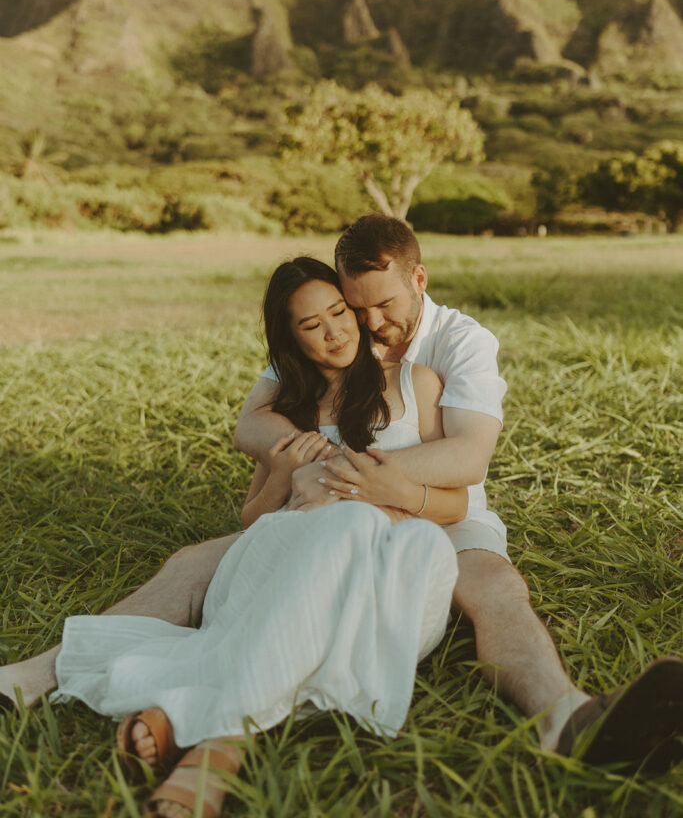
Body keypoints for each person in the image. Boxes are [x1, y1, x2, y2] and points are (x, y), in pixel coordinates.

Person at [2, 215, 682, 776]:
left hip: (436, 513)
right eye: (349, 308)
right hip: (321, 517)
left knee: (496, 589)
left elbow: (468, 459)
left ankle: (569, 718)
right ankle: (31, 678)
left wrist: (373, 477)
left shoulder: (457, 347)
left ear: (418, 279)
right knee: (190, 565)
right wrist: (298, 466)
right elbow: (259, 418)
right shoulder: (333, 336)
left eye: (378, 306)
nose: (362, 324)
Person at [50, 257, 466, 817]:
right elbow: (254, 516)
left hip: (395, 562)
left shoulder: (416, 384)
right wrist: (290, 475)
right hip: (292, 556)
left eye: (339, 312)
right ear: (290, 340)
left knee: (398, 536)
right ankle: (219, 751)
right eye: (311, 325)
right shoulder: (289, 411)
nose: (334, 331)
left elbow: (455, 503)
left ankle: (193, 704)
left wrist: (388, 490)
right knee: (345, 525)